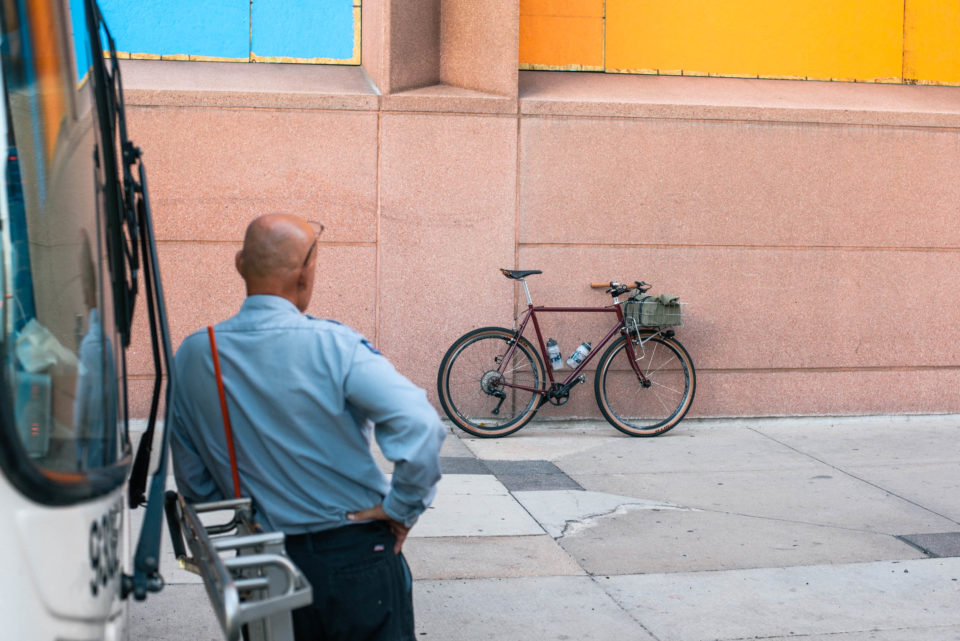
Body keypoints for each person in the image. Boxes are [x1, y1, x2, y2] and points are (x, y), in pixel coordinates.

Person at [169, 213, 445, 641]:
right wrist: (401, 508)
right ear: (306, 272)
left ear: (240, 263)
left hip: (263, 565)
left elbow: (196, 483)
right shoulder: (335, 345)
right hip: (356, 559)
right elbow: (420, 424)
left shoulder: (194, 356)